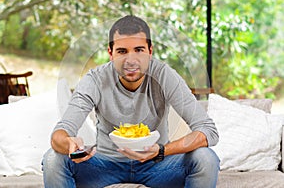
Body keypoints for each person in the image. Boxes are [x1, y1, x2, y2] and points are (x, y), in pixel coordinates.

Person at [42, 15, 220, 188]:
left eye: (139, 50)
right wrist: (69, 145)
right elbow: (59, 134)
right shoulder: (95, 79)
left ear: (150, 51)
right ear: (110, 53)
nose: (131, 60)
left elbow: (208, 131)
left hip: (158, 164)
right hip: (105, 165)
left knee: (206, 158)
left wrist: (162, 151)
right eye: (122, 51)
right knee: (53, 159)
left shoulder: (165, 75)